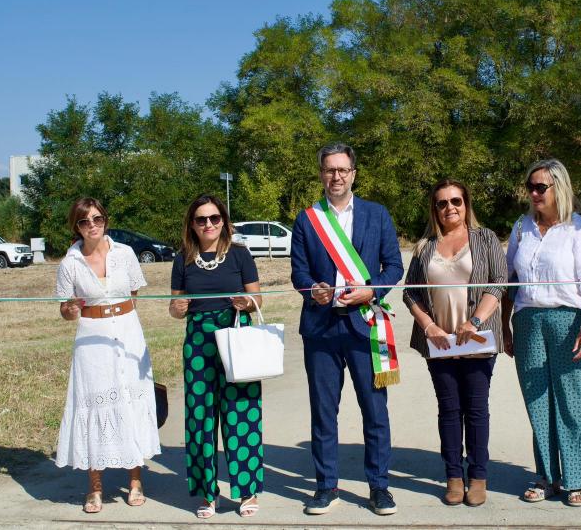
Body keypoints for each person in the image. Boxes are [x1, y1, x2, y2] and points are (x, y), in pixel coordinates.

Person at [291, 143, 404, 516]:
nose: (335, 176)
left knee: (375, 411)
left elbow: (393, 266)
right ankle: (326, 486)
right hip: (321, 330)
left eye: (342, 170)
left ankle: (380, 487)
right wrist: (313, 290)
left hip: (365, 326)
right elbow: (299, 272)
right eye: (329, 170)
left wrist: (373, 289)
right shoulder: (308, 219)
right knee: (324, 413)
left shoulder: (376, 214)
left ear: (354, 172)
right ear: (321, 174)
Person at [501, 159, 581, 507]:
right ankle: (547, 475)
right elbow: (509, 281)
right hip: (528, 321)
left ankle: (577, 479)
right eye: (530, 186)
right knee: (538, 403)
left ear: (559, 187)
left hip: (570, 320)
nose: (533, 192)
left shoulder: (580, 229)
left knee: (575, 401)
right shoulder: (521, 227)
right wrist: (504, 324)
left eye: (540, 187)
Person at [403, 179, 507, 507]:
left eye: (456, 201)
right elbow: (410, 292)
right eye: (442, 203)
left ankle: (477, 476)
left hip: (476, 339)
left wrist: (475, 321)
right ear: (434, 208)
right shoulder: (424, 246)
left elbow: (499, 282)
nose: (450, 208)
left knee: (476, 410)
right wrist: (429, 325)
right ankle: (453, 476)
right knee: (449, 410)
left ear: (466, 203)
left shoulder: (485, 238)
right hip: (441, 343)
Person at [55, 197, 161, 514]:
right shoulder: (68, 264)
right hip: (91, 339)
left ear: (105, 220)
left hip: (128, 334)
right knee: (93, 403)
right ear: (76, 226)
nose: (93, 226)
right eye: (85, 221)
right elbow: (65, 310)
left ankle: (136, 481)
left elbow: (134, 295)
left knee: (130, 402)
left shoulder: (125, 254)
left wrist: (124, 323)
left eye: (98, 219)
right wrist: (72, 310)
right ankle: (95, 487)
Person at [169, 194, 264, 519]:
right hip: (198, 341)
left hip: (236, 335)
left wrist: (247, 304)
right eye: (201, 219)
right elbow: (175, 307)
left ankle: (247, 490)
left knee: (242, 413)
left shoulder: (239, 255)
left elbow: (258, 299)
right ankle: (208, 493)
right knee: (200, 418)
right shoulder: (183, 258)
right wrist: (177, 309)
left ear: (224, 221)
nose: (208, 224)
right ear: (191, 224)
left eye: (214, 218)